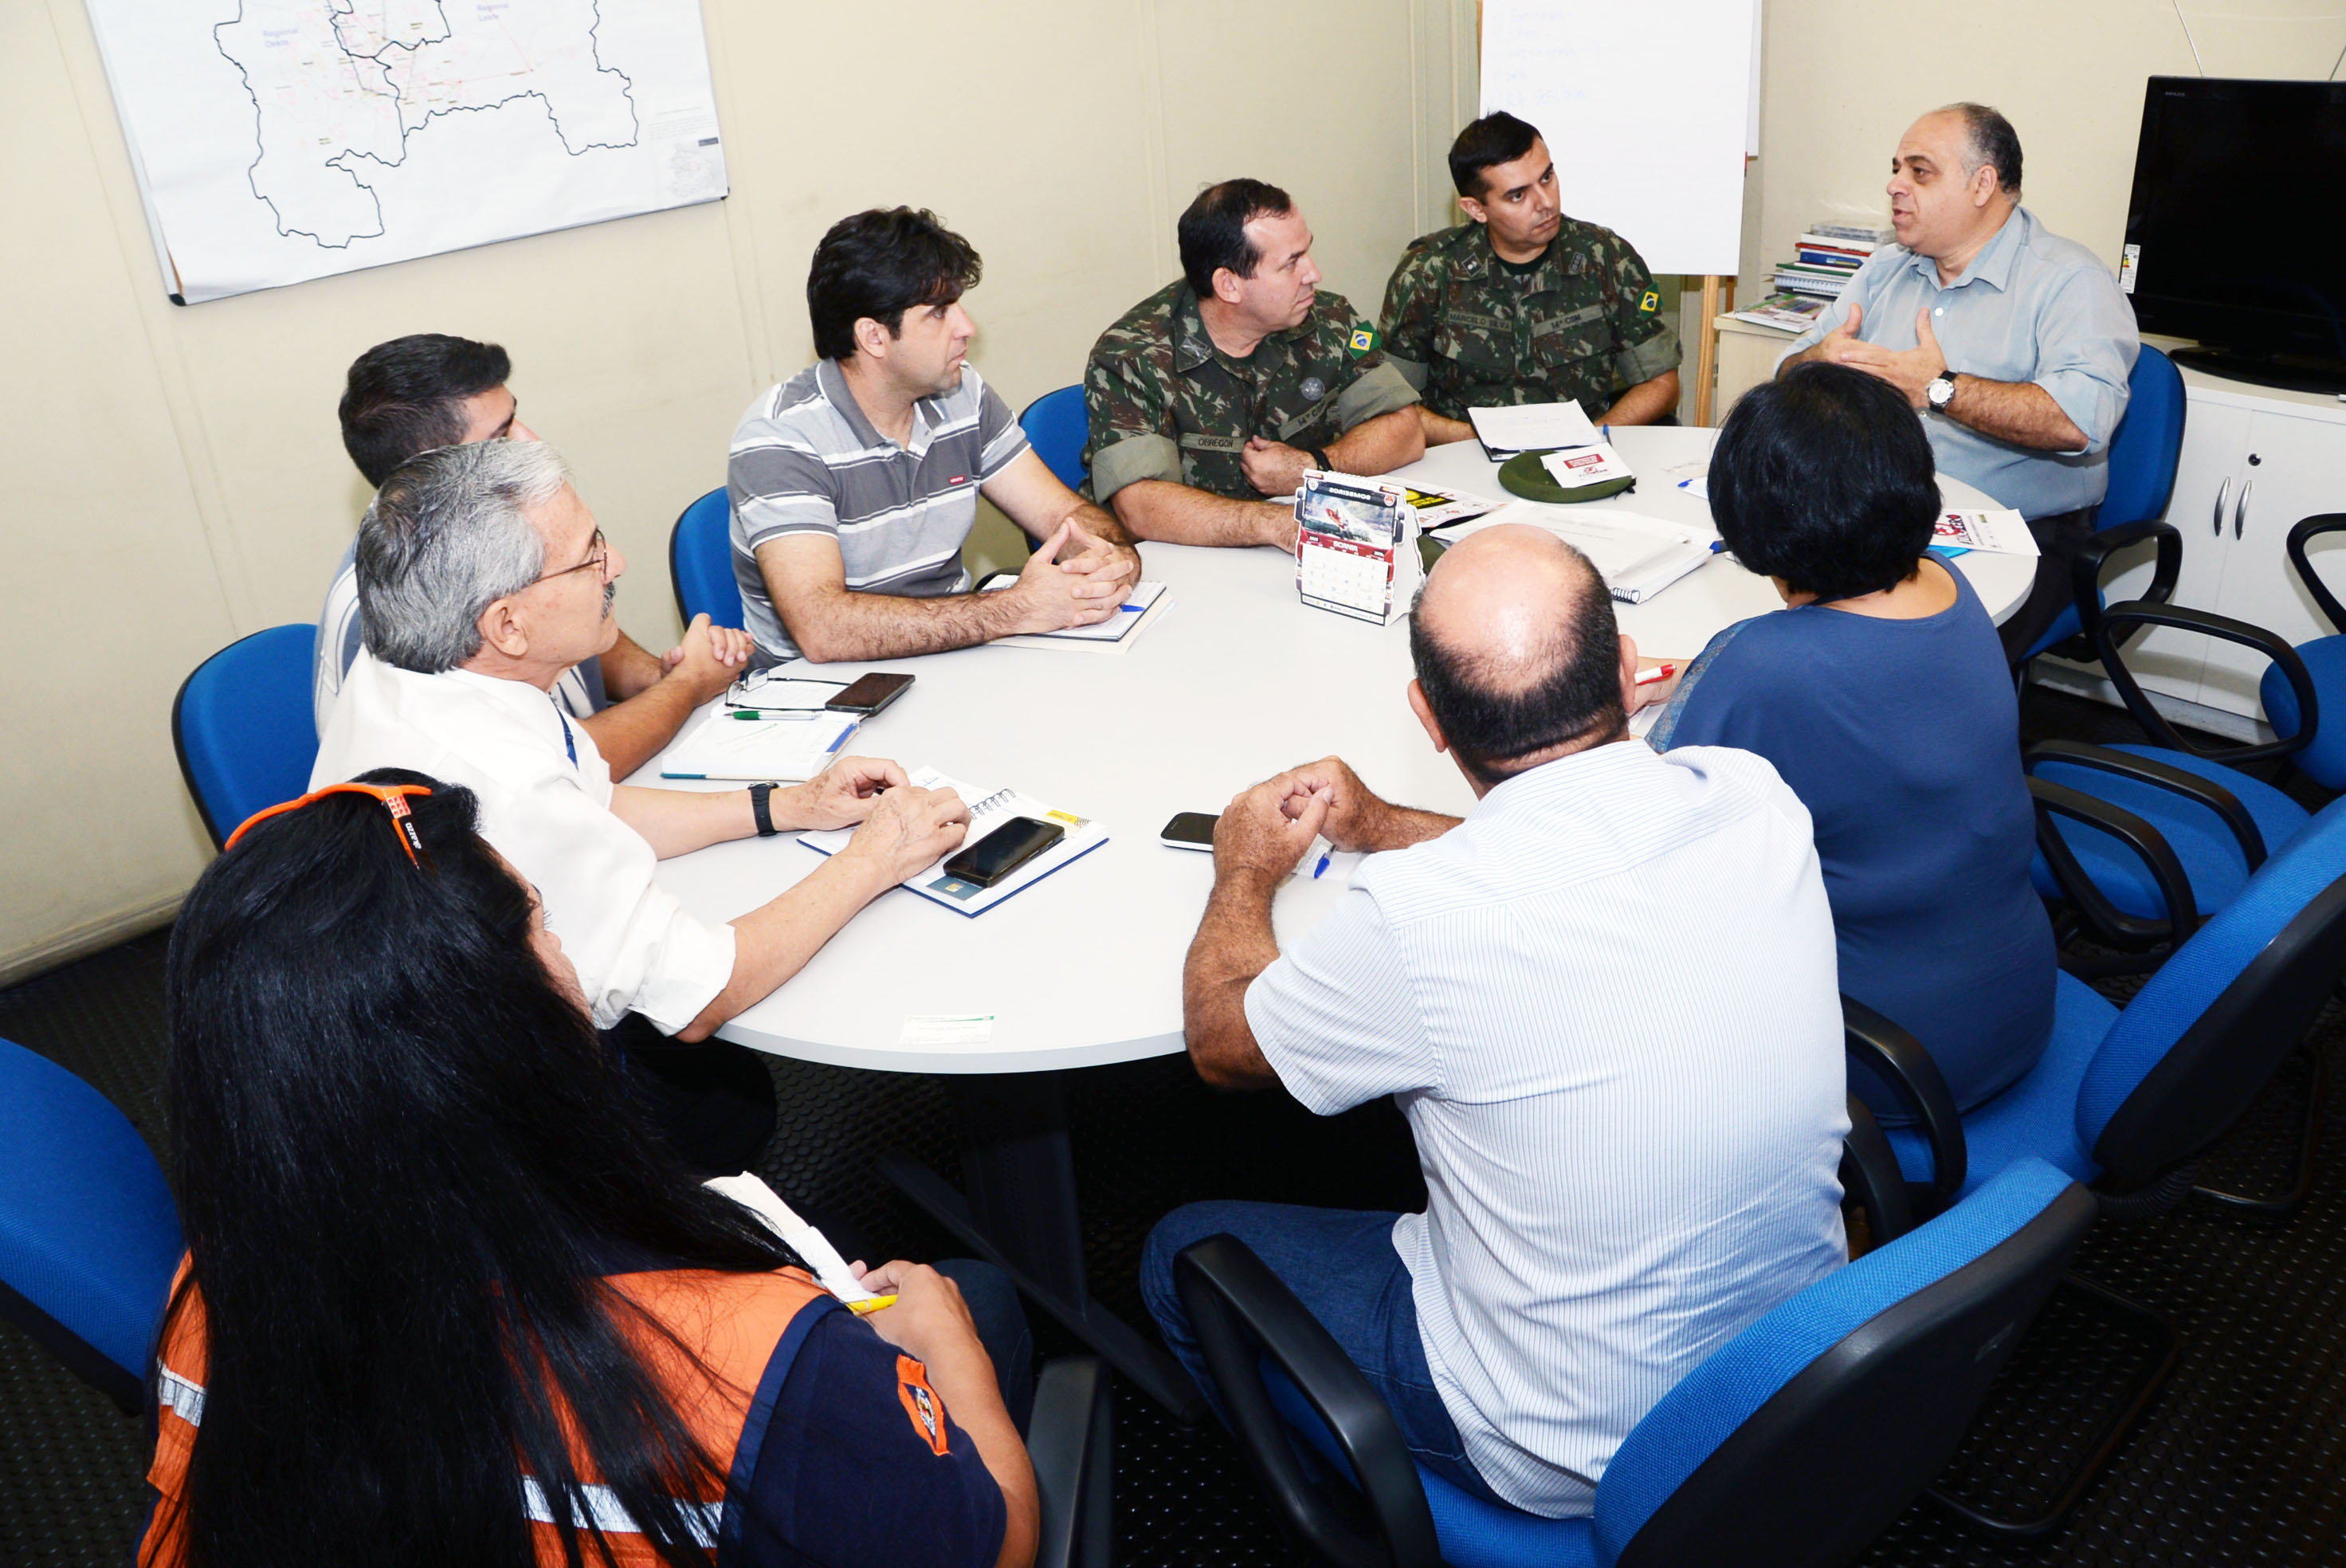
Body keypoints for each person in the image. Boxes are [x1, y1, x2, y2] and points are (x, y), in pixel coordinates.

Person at [140, 774, 1036, 1568]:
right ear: (498, 1031)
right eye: (542, 923)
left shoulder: (207, 1300)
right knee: (976, 1300)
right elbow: (996, 1548)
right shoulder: (749, 1362)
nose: (566, 953)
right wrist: (949, 1348)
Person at [1141, 523, 1849, 1519]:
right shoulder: (1751, 795)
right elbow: (1569, 846)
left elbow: (1222, 1043)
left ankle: (1330, 1514)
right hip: (1795, 1372)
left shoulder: (1417, 921)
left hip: (1564, 1446)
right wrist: (1385, 826)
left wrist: (1245, 871)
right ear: (1626, 669)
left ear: (1429, 718)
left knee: (1181, 1247)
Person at [312, 439, 971, 1172]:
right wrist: (875, 858)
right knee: (726, 1103)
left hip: (418, 1050)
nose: (617, 564)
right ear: (506, 625)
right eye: (588, 557)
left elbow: (595, 805)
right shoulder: (498, 781)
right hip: (496, 1128)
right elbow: (706, 993)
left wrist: (787, 805)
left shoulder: (419, 668)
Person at [1649, 363, 2056, 1115]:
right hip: (2014, 1003)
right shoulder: (1947, 583)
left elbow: (1634, 834)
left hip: (1884, 1056)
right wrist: (1707, 677)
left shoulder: (1763, 663)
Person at [1775, 103, 2139, 662]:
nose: (1895, 186)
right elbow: (1787, 372)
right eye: (1896, 169)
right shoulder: (1885, 269)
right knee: (1780, 624)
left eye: (1920, 172)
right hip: (1881, 520)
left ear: (1982, 185)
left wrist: (1939, 388)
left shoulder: (2071, 281)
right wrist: (1818, 361)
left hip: (2021, 533)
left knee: (1895, 658)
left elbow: (2079, 422)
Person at [317, 334, 753, 774]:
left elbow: (571, 620)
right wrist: (686, 686)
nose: (531, 441)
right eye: (501, 436)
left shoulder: (490, 528)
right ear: (436, 472)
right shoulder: (399, 602)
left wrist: (656, 677)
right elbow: (555, 767)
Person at [731, 208, 1142, 666]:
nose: (967, 328)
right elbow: (823, 629)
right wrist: (1016, 608)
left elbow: (1065, 515)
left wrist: (1108, 560)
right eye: (939, 312)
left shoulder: (962, 393)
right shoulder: (781, 437)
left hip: (949, 659)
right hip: (824, 693)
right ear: (873, 337)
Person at [1083, 179, 1425, 549]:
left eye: (1307, 252)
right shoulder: (1131, 355)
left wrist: (1312, 467)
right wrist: (1272, 524)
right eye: (1291, 263)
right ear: (1229, 285)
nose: (1314, 274)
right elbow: (1140, 506)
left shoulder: (1335, 317)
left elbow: (1406, 429)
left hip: (1298, 554)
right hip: (1179, 561)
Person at [1380, 112, 1681, 446]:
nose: (1546, 203)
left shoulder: (1605, 257)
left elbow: (1661, 383)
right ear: (1476, 209)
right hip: (1463, 454)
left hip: (1583, 452)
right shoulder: (1428, 271)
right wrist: (1479, 442)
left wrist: (1592, 439)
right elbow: (1391, 402)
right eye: (1518, 195)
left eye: (1547, 177)